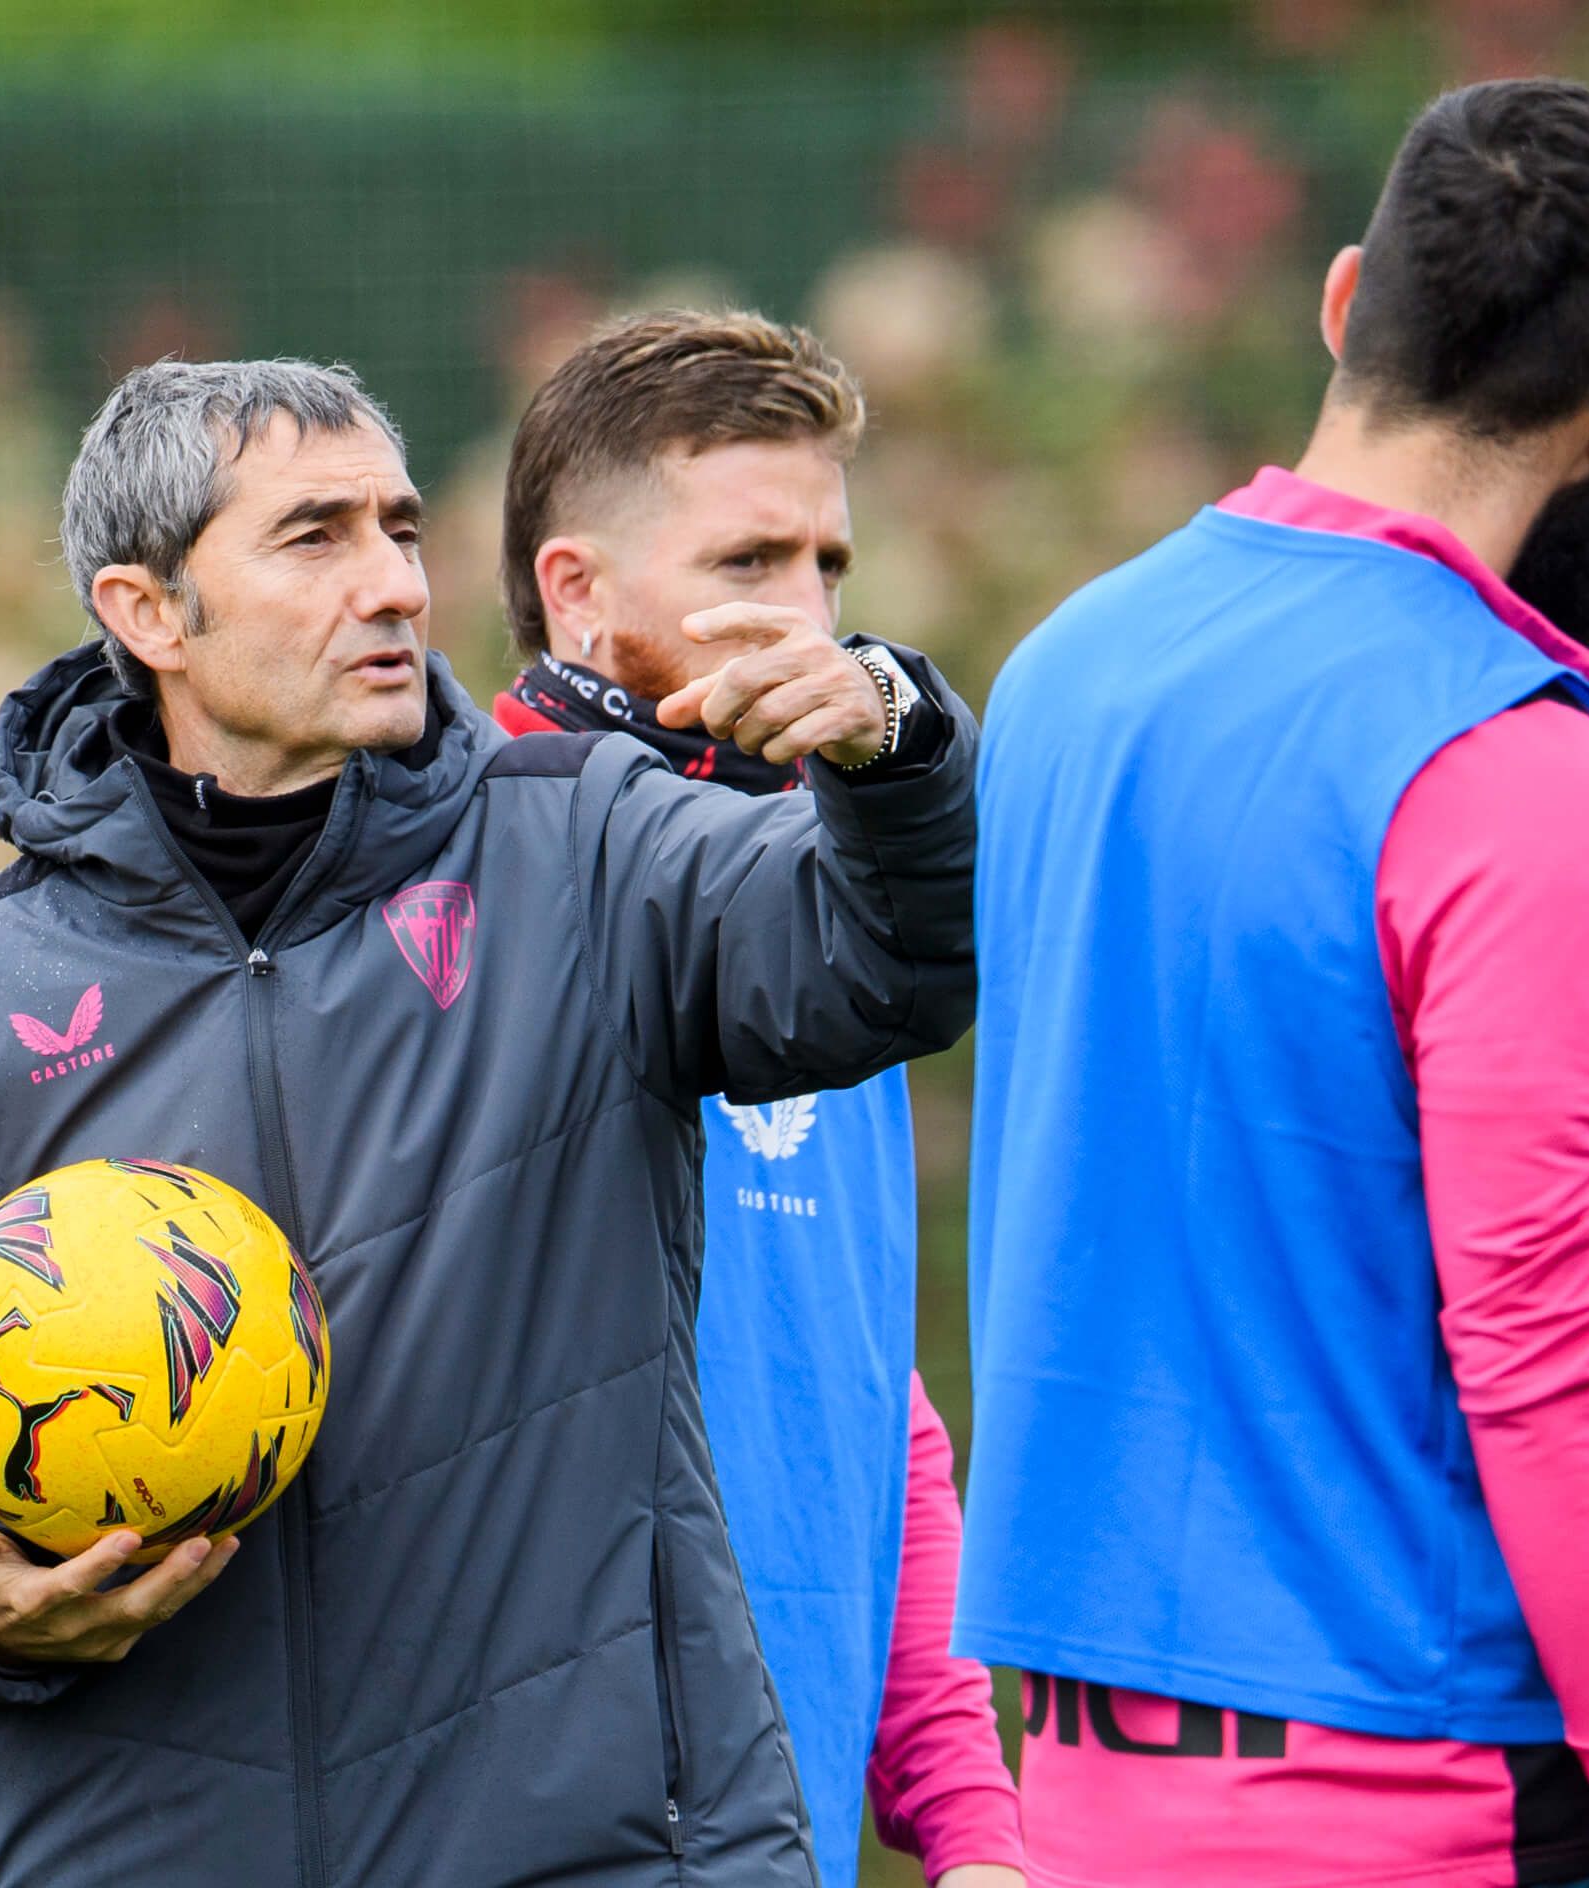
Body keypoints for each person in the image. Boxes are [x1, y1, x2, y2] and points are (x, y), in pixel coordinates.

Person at [0, 355, 977, 1888]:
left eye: (400, 531)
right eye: (314, 538)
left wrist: (895, 749)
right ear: (145, 612)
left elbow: (884, 962)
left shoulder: (592, 849)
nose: (394, 585)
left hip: (600, 1851)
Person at [962, 79, 1589, 1888]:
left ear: (1337, 301)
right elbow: (1552, 1335)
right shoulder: (1507, 764)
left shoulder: (1070, 664)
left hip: (1076, 1790)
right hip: (1412, 1793)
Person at [491, 309, 1025, 1888]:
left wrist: (966, 1815)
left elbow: (872, 1403)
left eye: (827, 568)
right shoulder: (443, 898)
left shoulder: (836, 906)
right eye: (746, 565)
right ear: (572, 594)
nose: (807, 618)